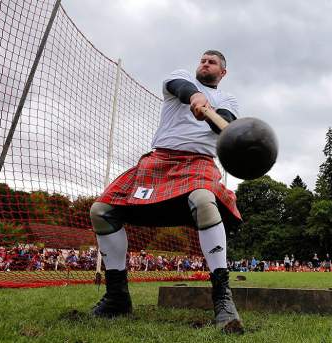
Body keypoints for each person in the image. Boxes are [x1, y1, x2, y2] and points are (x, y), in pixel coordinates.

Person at [89, 50, 243, 333]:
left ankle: (223, 298)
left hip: (199, 165)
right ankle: (117, 298)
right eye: (203, 60)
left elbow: (226, 125)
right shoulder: (182, 78)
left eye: (212, 62)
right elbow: (181, 89)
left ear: (223, 72)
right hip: (159, 162)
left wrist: (208, 113)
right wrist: (195, 97)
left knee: (203, 199)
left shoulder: (227, 100)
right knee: (101, 210)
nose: (205, 64)